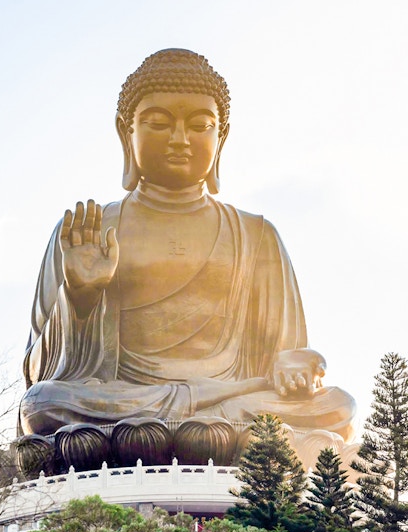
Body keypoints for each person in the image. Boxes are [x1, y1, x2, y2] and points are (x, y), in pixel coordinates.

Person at [18, 49, 356, 454]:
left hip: (231, 398)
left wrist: (295, 365)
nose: (179, 139)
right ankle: (195, 433)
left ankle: (189, 432)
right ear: (126, 132)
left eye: (200, 125)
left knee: (338, 407)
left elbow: (288, 355)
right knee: (45, 403)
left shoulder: (256, 235)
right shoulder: (87, 230)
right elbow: (37, 374)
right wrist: (79, 299)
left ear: (222, 136)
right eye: (158, 123)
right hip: (123, 403)